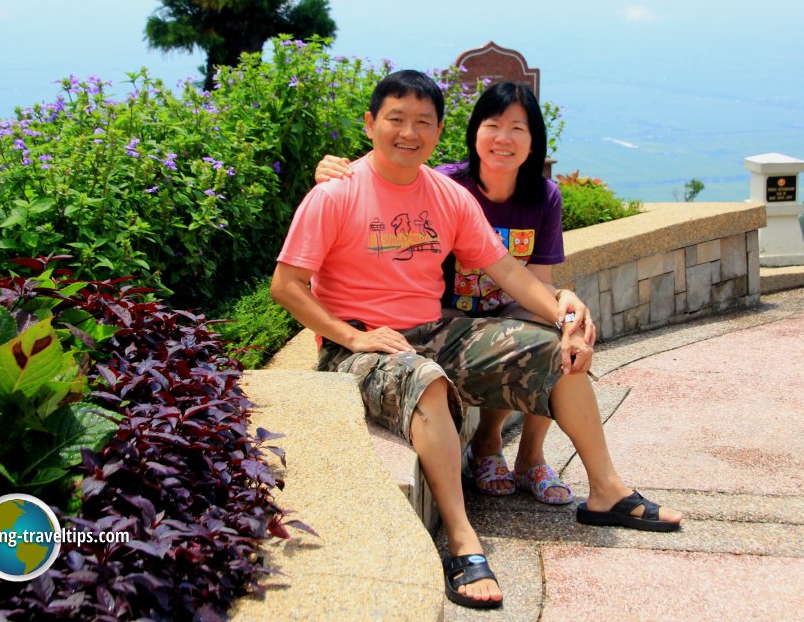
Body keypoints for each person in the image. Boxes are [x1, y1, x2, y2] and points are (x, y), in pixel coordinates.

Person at [271, 69, 681, 610]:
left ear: (440, 131)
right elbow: (287, 285)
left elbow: (510, 273)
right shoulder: (336, 194)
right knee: (426, 381)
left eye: (423, 122)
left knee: (555, 354)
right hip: (359, 345)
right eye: (395, 119)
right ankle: (463, 541)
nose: (408, 132)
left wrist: (564, 313)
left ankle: (606, 490)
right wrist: (352, 335)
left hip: (434, 332)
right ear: (371, 124)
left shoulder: (446, 195)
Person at [315, 80, 590, 506]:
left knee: (556, 340)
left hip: (483, 318)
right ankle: (486, 449)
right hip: (438, 316)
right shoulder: (446, 186)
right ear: (472, 131)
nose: (504, 138)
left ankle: (540, 460)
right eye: (493, 125)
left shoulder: (540, 196)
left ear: (534, 139)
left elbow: (523, 276)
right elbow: (381, 187)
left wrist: (565, 313)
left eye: (518, 128)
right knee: (482, 349)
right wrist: (335, 175)